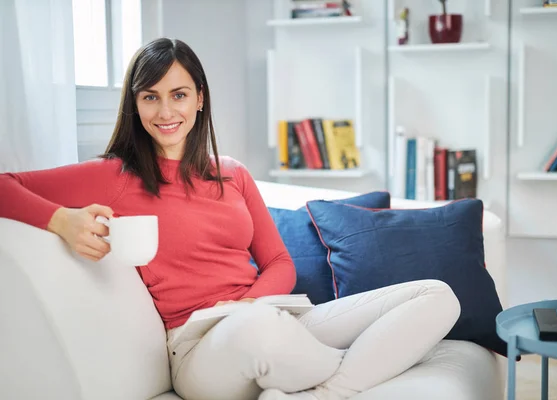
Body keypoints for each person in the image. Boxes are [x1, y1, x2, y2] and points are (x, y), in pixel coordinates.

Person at [0, 38, 460, 400]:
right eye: (150, 97)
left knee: (437, 296)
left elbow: (279, 262)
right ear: (135, 105)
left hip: (270, 318)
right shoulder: (115, 176)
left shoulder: (233, 173)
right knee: (262, 331)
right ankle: (358, 366)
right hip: (199, 346)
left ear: (199, 99)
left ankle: (322, 392)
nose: (165, 111)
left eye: (178, 95)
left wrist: (247, 305)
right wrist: (61, 220)